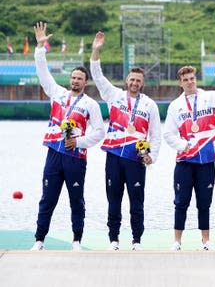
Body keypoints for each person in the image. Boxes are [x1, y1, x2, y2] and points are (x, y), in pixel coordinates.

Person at [31, 22, 105, 251]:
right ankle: (39, 240)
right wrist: (40, 48)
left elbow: (100, 132)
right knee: (47, 199)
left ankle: (76, 240)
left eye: (79, 79)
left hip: (75, 157)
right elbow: (43, 73)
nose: (75, 81)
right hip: (54, 153)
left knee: (76, 200)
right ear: (70, 79)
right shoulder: (57, 93)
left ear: (85, 82)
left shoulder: (91, 104)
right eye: (73, 77)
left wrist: (79, 142)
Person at [90, 31, 161, 250]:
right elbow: (98, 76)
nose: (134, 83)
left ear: (142, 83)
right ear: (126, 81)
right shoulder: (113, 95)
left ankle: (137, 240)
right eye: (132, 79)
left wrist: (152, 157)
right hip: (113, 156)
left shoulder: (150, 105)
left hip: (135, 158)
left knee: (136, 202)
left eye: (138, 80)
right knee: (113, 201)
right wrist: (96, 50)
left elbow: (156, 135)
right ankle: (114, 239)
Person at [163, 64, 215, 250]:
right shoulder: (175, 106)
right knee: (181, 202)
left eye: (192, 79)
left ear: (196, 79)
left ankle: (206, 241)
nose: (189, 82)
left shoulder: (211, 97)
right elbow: (168, 134)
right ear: (180, 83)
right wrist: (183, 145)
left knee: (204, 202)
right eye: (185, 80)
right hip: (185, 160)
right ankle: (177, 242)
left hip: (206, 158)